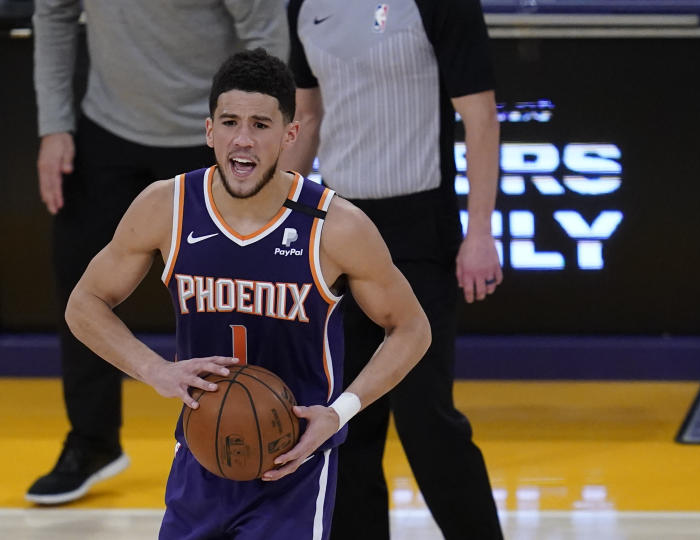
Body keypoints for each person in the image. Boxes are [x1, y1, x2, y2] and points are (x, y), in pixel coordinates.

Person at [64, 48, 431, 539]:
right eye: (230, 121)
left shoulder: (334, 226)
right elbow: (83, 304)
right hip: (200, 457)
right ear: (209, 130)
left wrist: (341, 412)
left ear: (290, 134)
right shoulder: (166, 208)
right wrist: (153, 369)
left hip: (294, 466)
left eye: (261, 124)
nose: (243, 139)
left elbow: (411, 327)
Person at [27, 1, 289, 504]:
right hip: (106, 129)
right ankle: (92, 441)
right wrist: (53, 123)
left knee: (242, 295)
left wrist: (258, 143)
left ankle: (259, 441)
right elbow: (54, 13)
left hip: (212, 137)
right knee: (82, 284)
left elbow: (264, 31)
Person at [281, 1, 504, 538]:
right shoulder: (304, 4)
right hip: (336, 232)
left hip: (420, 231)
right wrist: (269, 226)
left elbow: (480, 118)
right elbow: (307, 118)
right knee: (347, 422)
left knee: (427, 419)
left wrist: (479, 232)